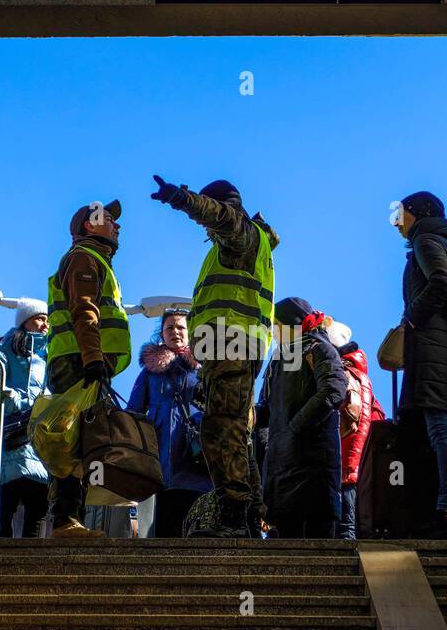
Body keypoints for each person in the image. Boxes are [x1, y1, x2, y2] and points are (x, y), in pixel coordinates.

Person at [150, 175, 278, 537]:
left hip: (232, 345)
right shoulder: (245, 243)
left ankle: (234, 518)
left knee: (222, 431)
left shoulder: (240, 233)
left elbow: (220, 216)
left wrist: (182, 198)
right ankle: (248, 516)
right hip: (229, 349)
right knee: (233, 431)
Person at [45, 199, 131, 537]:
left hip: (83, 361)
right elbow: (85, 311)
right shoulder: (83, 258)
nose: (116, 225)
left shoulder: (95, 261)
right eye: (108, 218)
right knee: (71, 438)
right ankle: (65, 520)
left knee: (80, 439)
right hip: (78, 362)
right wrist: (94, 359)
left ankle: (71, 519)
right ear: (87, 225)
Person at [396, 191, 447, 539]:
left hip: (433, 347)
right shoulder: (438, 242)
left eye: (402, 212)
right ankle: (434, 512)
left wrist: (411, 315)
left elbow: (443, 282)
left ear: (417, 213)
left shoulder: (426, 241)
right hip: (438, 346)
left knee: (439, 426)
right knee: (431, 428)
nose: (398, 220)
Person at [257, 298, 346, 538]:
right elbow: (267, 409)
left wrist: (295, 428)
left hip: (313, 464)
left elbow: (333, 390)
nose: (273, 331)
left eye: (276, 325)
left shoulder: (320, 348)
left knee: (318, 544)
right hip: (282, 467)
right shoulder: (277, 360)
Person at [128, 309, 214, 536]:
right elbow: (133, 412)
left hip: (194, 455)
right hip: (160, 454)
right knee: (163, 524)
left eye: (181, 327)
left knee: (195, 518)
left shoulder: (204, 369)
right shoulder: (150, 372)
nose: (175, 331)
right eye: (170, 328)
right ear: (162, 334)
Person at [0, 298, 51, 538]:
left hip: (39, 433)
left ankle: (31, 562)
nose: (45, 324)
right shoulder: (4, 348)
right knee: (7, 502)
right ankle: (0, 558)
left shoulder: (50, 354)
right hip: (11, 432)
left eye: (47, 319)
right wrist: (11, 399)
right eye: (39, 318)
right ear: (24, 321)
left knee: (37, 502)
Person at [326, 319, 382, 540]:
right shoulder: (361, 376)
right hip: (359, 462)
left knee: (345, 529)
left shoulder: (342, 373)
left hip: (345, 460)